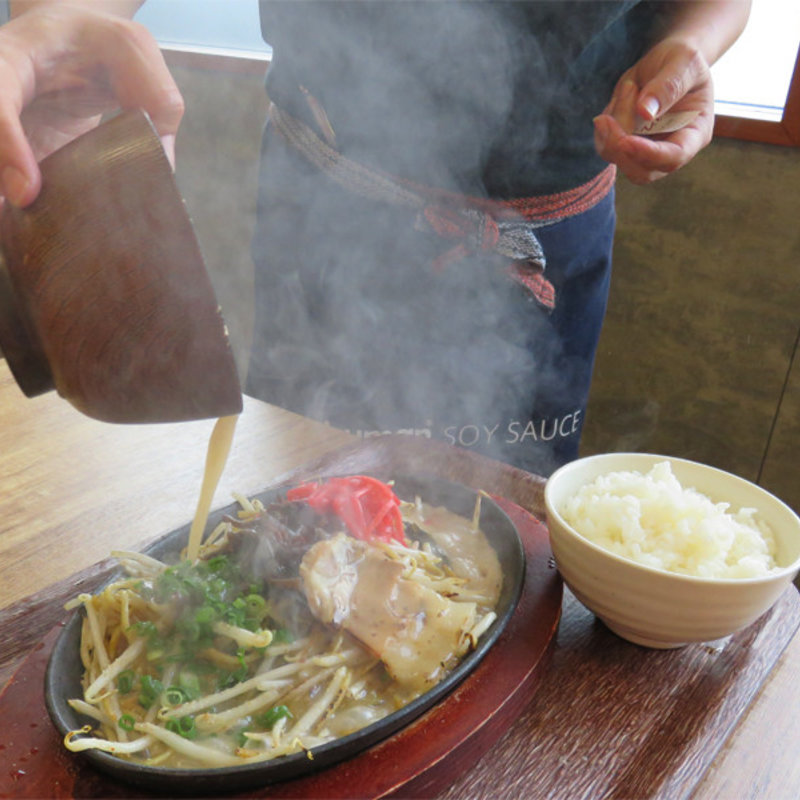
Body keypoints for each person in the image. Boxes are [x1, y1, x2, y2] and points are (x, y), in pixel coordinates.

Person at [0, 0, 751, 476]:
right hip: (331, 209)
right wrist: (57, 25)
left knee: (512, 523)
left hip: (556, 234)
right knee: (302, 502)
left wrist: (692, 42)